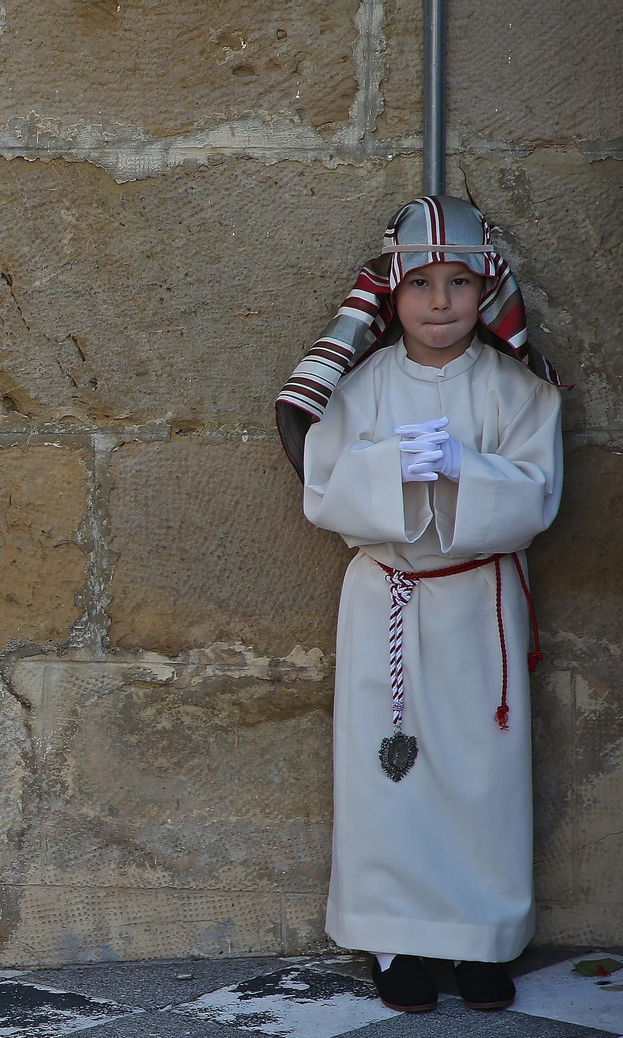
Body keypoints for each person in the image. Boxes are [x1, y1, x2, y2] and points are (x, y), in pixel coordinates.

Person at [277, 195, 564, 1014]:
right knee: (386, 776)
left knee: (481, 773)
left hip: (480, 599)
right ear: (389, 293)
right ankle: (391, 936)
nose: (440, 302)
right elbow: (325, 489)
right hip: (390, 599)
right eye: (420, 284)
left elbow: (539, 494)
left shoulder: (518, 390)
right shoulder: (362, 387)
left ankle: (479, 938)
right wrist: (389, 468)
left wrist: (468, 471)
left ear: (488, 290)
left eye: (459, 283)